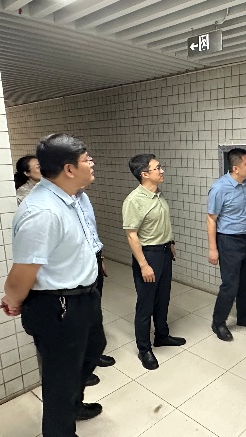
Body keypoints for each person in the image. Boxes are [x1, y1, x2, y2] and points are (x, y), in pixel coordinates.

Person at [1, 133, 106, 436]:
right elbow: (22, 272)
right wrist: (13, 299)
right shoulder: (43, 212)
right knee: (61, 379)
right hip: (57, 304)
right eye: (86, 159)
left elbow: (84, 242)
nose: (92, 163)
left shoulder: (76, 196)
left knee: (94, 348)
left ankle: (73, 404)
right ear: (69, 169)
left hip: (85, 295)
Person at [122, 154, 186, 371]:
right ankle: (144, 349)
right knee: (146, 304)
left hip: (164, 252)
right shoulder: (134, 200)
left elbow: (161, 223)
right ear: (144, 174)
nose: (162, 170)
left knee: (163, 298)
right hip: (148, 255)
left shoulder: (158, 194)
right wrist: (143, 264)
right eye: (157, 168)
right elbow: (132, 235)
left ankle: (162, 335)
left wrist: (170, 242)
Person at [207, 148, 246, 341]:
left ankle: (243, 317)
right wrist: (213, 248)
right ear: (235, 168)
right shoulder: (219, 188)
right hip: (228, 241)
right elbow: (211, 219)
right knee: (230, 285)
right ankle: (218, 322)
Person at [77, 190, 116, 387]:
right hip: (76, 267)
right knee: (79, 317)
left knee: (94, 309)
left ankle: (93, 356)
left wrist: (100, 259)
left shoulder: (82, 197)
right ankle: (80, 367)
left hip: (93, 259)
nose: (93, 175)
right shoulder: (54, 201)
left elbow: (91, 232)